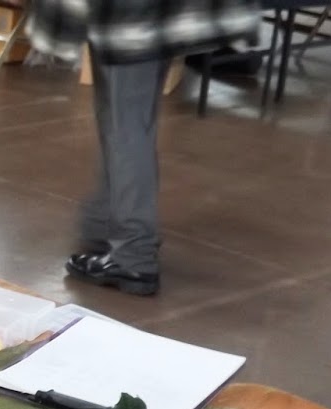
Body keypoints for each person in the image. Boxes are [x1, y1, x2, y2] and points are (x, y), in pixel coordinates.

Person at [29, 0, 257, 296]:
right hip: (167, 10)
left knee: (125, 123)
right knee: (126, 117)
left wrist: (58, 23)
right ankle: (103, 220)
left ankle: (132, 254)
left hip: (126, 13)